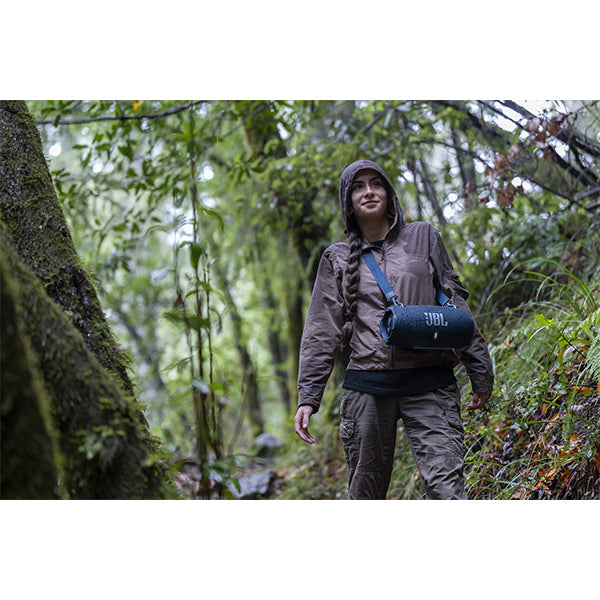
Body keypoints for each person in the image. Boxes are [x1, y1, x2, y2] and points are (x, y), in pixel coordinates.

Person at [294, 159, 494, 499]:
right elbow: (321, 329)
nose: (369, 192)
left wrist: (480, 370)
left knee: (447, 490)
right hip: (367, 389)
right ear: (348, 201)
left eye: (376, 183)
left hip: (430, 382)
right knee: (366, 496)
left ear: (389, 193)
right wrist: (308, 397)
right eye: (358, 187)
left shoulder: (423, 237)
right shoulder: (336, 258)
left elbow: (455, 304)